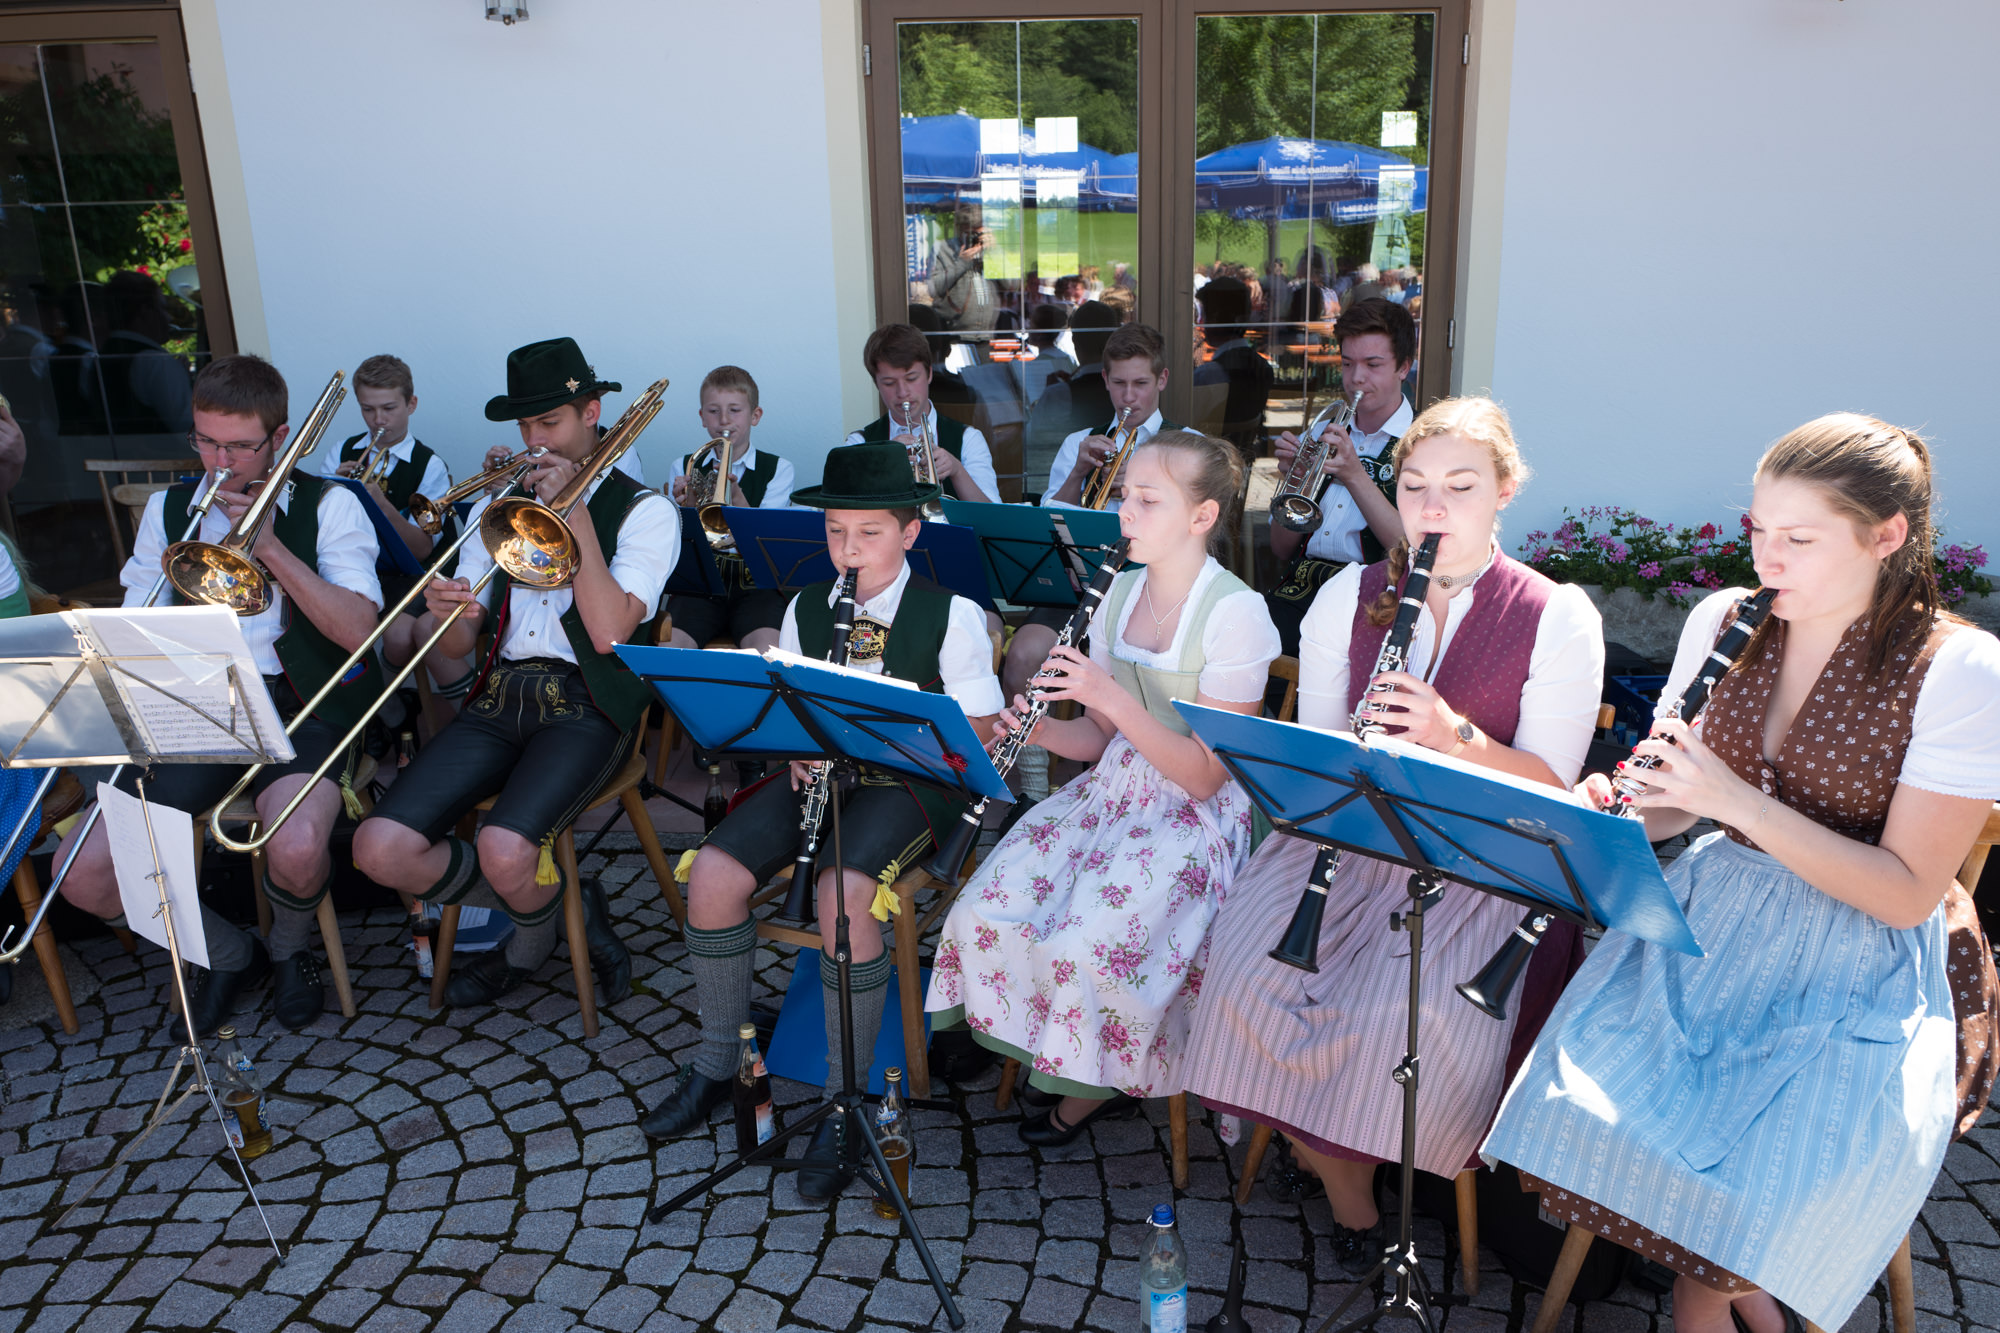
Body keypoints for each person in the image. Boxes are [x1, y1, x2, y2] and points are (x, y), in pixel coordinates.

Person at [1482, 414, 2000, 1333]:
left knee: (1731, 1215)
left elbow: (1905, 890)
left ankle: (1726, 1275)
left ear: (1887, 535)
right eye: (1759, 530)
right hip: (1718, 923)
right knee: (1587, 1109)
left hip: (1867, 962)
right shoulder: (1724, 619)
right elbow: (1680, 807)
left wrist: (1735, 801)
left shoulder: (1958, 667)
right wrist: (1624, 807)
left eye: (1800, 538)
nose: (1768, 558)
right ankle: (1735, 1274)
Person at [1180, 397, 1602, 1269]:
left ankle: (1344, 1174)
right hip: (1353, 843)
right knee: (1246, 974)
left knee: (1388, 1020)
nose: (1432, 507)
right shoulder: (1350, 593)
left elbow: (1554, 788)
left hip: (1484, 866)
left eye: (1460, 486)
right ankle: (1345, 1180)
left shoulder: (1557, 614)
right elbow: (1320, 756)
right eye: (1414, 486)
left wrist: (1456, 736)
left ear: (1505, 490)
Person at [642, 442, 1004, 1200]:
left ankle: (849, 1098)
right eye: (836, 531)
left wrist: (889, 733)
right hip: (820, 774)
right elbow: (792, 702)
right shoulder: (807, 606)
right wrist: (800, 746)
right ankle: (717, 1059)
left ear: (911, 531)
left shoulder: (953, 613)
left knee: (845, 894)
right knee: (712, 875)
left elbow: (974, 733)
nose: (848, 549)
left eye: (869, 532)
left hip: (913, 783)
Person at [926, 430, 1280, 1148]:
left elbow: (1205, 775)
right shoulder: (1117, 589)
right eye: (1125, 496)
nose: (1126, 513)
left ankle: (1101, 1080)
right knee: (985, 908)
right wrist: (1037, 733)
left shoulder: (1236, 614)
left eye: (1148, 500)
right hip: (1112, 791)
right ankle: (1065, 1054)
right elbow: (1099, 739)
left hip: (1198, 817)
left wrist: (1105, 693)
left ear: (1202, 516)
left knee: (1086, 944)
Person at [53, 354, 387, 1033]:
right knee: (81, 872)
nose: (219, 461)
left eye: (238, 446)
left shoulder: (331, 506)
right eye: (205, 441)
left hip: (304, 705)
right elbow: (133, 623)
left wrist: (273, 551)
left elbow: (359, 631)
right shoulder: (169, 509)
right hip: (198, 705)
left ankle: (291, 950)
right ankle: (230, 954)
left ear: (281, 437)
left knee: (297, 846)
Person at [351, 338, 677, 1009]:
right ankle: (564, 906)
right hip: (500, 697)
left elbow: (612, 633)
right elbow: (460, 643)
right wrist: (448, 612)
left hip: (591, 703)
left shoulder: (646, 510)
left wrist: (576, 517)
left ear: (591, 412)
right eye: (525, 425)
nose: (535, 441)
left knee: (505, 848)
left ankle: (525, 944)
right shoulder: (494, 508)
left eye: (549, 422)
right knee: (378, 847)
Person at [1002, 323, 1182, 802]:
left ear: (1162, 380)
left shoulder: (1185, 445)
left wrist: (1142, 487)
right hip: (1080, 586)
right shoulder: (1079, 442)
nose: (1129, 396)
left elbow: (1191, 531)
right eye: (1119, 383)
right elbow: (1049, 523)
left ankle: (1110, 791)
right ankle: (1033, 792)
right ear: (1104, 380)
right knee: (1024, 652)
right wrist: (1080, 472)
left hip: (1150, 592)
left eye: (1140, 383)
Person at [1264, 298, 1417, 657]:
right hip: (1302, 591)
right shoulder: (1322, 434)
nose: (1356, 378)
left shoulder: (1421, 445)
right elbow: (1280, 548)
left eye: (1373, 364)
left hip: (1374, 601)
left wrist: (1353, 475)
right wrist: (1295, 483)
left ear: (1403, 367)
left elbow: (1411, 551)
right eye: (1347, 364)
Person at [319, 354, 456, 682]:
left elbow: (422, 548)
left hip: (411, 576)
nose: (378, 420)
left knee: (397, 637)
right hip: (355, 568)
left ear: (411, 404)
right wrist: (332, 489)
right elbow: (317, 528)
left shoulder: (429, 466)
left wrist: (380, 504)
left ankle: (384, 696)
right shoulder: (341, 452)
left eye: (389, 408)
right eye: (368, 409)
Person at [664, 365, 794, 657]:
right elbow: (678, 543)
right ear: (702, 417)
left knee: (768, 651)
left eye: (734, 410)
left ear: (755, 416)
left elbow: (766, 543)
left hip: (756, 588)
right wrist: (687, 506)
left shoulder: (778, 469)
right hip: (701, 586)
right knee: (670, 648)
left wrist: (737, 497)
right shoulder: (683, 466)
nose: (724, 420)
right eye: (714, 411)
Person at [843, 322, 999, 505]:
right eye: (889, 383)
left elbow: (992, 515)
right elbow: (842, 510)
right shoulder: (858, 443)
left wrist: (957, 470)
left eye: (911, 379)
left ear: (929, 374)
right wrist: (880, 466)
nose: (902, 392)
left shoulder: (968, 440)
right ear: (876, 384)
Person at [1023, 300, 1119, 496]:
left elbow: (1032, 440)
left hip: (1064, 487)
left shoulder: (1058, 394)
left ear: (1075, 341)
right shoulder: (1128, 390)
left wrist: (1045, 398)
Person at [1192, 275, 1274, 459]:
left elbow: (1186, 422)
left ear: (1216, 319)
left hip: (1210, 460)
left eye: (1205, 314)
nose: (1201, 321)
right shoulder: (1263, 366)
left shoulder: (1209, 375)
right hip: (1240, 460)